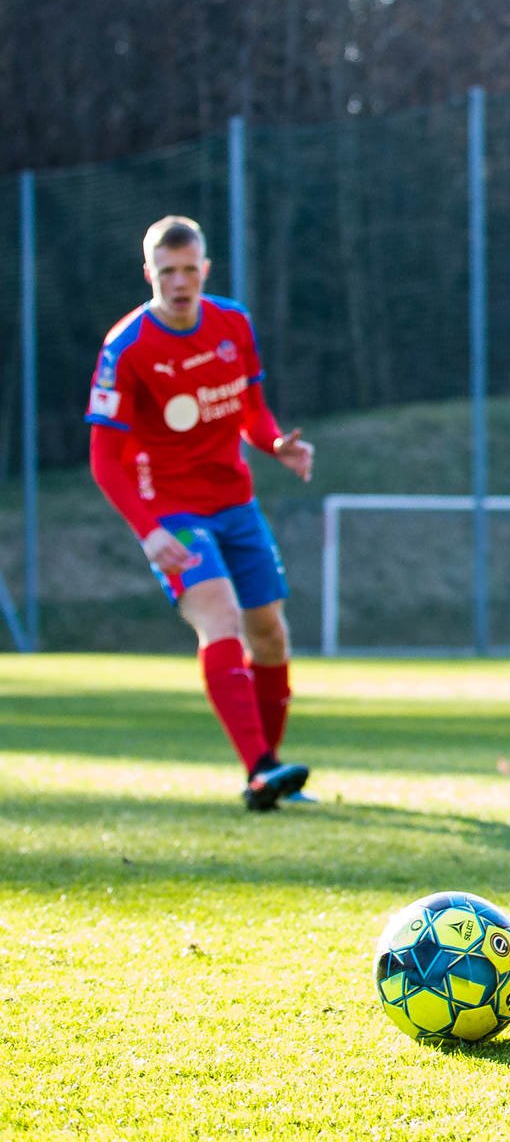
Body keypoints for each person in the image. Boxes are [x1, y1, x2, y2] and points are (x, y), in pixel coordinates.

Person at [85, 216, 314, 811]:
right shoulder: (126, 347)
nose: (180, 283)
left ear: (205, 269)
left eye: (189, 270)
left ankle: (270, 774)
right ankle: (260, 769)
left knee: (270, 634)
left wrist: (275, 445)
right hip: (171, 510)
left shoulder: (233, 323)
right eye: (167, 272)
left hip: (235, 502)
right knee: (219, 614)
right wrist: (148, 531)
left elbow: (251, 413)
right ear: (149, 274)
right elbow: (104, 459)